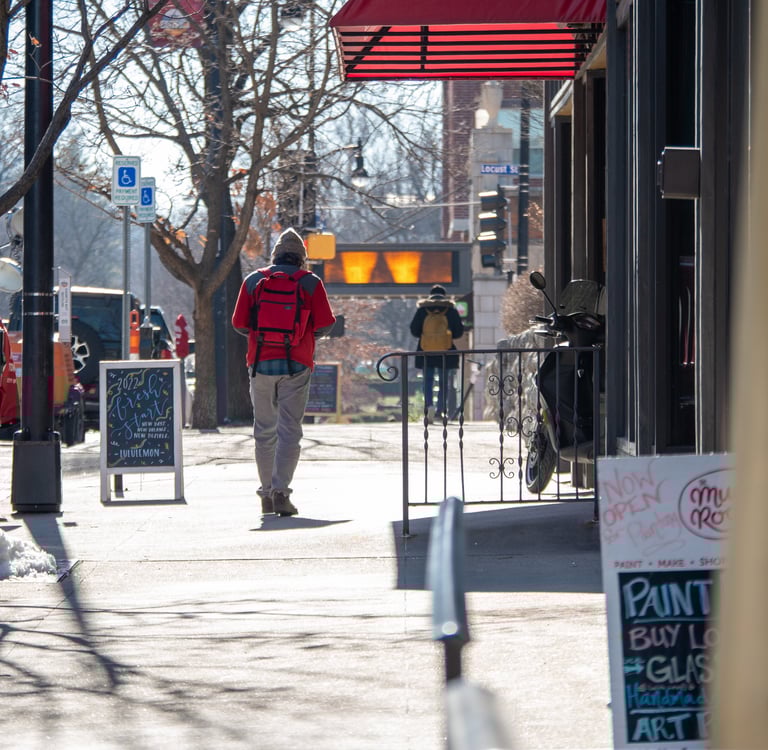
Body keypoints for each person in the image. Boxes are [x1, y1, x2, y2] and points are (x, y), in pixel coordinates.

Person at [232, 228, 336, 516]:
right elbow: (325, 323)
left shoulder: (254, 281)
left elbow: (239, 323)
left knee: (264, 431)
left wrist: (263, 336)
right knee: (290, 431)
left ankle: (265, 493)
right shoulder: (311, 282)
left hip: (260, 364)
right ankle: (281, 492)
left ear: (275, 255)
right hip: (297, 366)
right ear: (301, 259)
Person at [409, 284, 464, 422]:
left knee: (427, 381)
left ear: (430, 295)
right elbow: (458, 332)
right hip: (445, 352)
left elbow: (414, 330)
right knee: (444, 382)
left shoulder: (423, 309)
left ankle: (428, 408)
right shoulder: (450, 310)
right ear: (444, 295)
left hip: (426, 351)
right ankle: (440, 411)